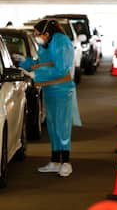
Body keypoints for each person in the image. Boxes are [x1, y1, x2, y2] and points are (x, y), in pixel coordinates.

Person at [19, 19, 75, 177]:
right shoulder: (47, 43)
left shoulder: (61, 42)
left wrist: (36, 74)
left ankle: (66, 162)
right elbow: (41, 62)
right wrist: (25, 63)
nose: (37, 37)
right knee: (52, 126)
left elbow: (61, 68)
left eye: (38, 34)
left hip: (63, 90)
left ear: (47, 33)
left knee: (62, 126)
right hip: (50, 89)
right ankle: (55, 161)